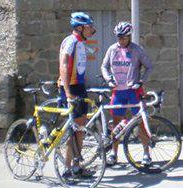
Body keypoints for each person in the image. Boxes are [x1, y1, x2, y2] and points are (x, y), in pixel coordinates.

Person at [101, 21, 153, 166]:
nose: (121, 40)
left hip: (133, 92)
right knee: (117, 124)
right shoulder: (112, 49)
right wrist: (109, 79)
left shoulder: (137, 50)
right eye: (119, 37)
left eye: (123, 37)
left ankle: (146, 153)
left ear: (129, 36)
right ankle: (113, 153)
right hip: (118, 92)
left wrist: (141, 81)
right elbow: (104, 66)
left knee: (141, 123)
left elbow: (149, 67)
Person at [57, 12, 96, 178]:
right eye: (89, 27)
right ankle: (66, 169)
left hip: (79, 87)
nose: (92, 30)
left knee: (80, 129)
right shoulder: (71, 41)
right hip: (70, 88)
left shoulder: (80, 42)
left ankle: (77, 166)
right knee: (73, 130)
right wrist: (66, 92)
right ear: (79, 27)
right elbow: (64, 66)